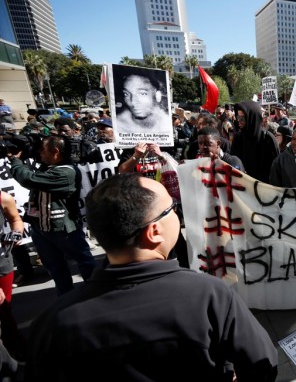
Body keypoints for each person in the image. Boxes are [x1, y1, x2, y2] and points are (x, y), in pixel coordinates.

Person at [26, 173, 278, 381]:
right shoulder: (209, 296)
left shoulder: (52, 323)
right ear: (154, 231)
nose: (177, 214)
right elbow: (262, 366)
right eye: (172, 208)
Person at [9, 135, 97, 295]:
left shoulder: (67, 172)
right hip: (41, 230)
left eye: (42, 150)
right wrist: (32, 149)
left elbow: (28, 178)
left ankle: (96, 293)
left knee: (85, 262)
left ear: (55, 151)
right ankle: (66, 299)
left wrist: (15, 160)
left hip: (63, 229)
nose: (39, 153)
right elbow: (38, 167)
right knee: (55, 268)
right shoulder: (49, 167)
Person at [0, 192, 27, 360]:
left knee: (4, 310)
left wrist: (16, 233)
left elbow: (15, 219)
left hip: (2, 263)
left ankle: (14, 347)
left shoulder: (4, 198)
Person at [231, 101, 279, 183]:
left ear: (252, 118)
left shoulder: (268, 139)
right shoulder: (238, 138)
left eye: (242, 118)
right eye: (237, 117)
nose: (239, 121)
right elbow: (234, 163)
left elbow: (276, 170)